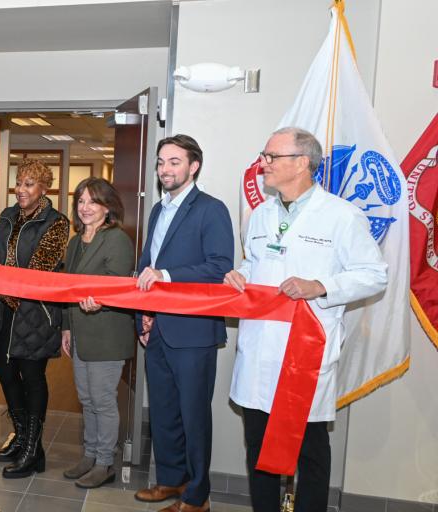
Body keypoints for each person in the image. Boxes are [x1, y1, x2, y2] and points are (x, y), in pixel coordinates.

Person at [224, 128, 386, 512]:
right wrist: (241, 274)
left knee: (309, 453)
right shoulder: (260, 214)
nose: (263, 163)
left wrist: (320, 285)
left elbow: (374, 274)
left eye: (271, 156)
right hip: (259, 349)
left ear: (301, 163)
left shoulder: (341, 215)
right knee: (259, 448)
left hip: (305, 355)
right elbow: (255, 263)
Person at [133, 134, 233, 512]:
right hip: (157, 328)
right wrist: (144, 310)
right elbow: (146, 266)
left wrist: (167, 275)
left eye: (174, 162)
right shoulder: (159, 210)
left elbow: (220, 267)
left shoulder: (211, 209)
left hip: (193, 331)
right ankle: (171, 481)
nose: (164, 169)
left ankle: (197, 496)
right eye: (161, 162)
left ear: (194, 166)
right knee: (162, 411)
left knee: (193, 416)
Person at [0, 159, 70, 479]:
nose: (21, 189)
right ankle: (27, 441)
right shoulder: (6, 216)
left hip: (36, 313)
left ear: (43, 188)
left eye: (29, 184)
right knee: (4, 371)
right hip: (3, 313)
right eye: (19, 182)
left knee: (32, 377)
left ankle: (31, 450)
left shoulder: (56, 223)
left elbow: (38, 271)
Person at [59, 177, 136, 489]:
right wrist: (66, 326)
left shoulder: (117, 239)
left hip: (106, 334)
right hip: (78, 331)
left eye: (92, 201)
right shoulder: (76, 242)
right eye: (80, 201)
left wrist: (98, 303)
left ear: (108, 207)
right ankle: (90, 455)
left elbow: (116, 286)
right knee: (86, 398)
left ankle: (105, 463)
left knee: (102, 400)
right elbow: (66, 288)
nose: (85, 207)